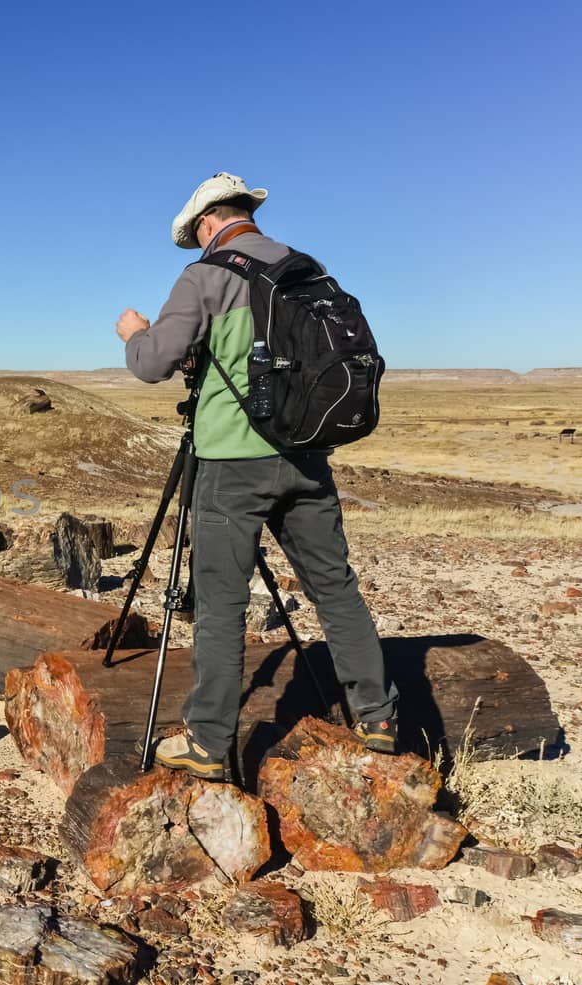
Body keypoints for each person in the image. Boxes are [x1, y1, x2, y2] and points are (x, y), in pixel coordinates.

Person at [113, 172, 398, 781]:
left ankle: (210, 743)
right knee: (335, 588)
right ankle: (376, 717)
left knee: (220, 603)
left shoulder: (207, 275)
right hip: (307, 458)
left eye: (197, 236)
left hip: (230, 464)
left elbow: (153, 364)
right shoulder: (305, 269)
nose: (199, 245)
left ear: (208, 222)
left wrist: (135, 332)